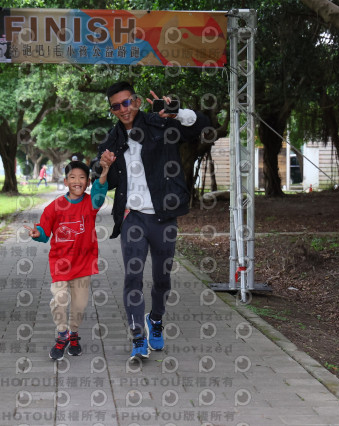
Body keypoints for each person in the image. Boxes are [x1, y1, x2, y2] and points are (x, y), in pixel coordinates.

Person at [91, 81, 211, 361]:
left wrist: (176, 112)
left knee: (162, 279)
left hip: (163, 216)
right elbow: (103, 180)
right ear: (112, 110)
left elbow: (202, 126)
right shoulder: (111, 141)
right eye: (116, 106)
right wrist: (104, 167)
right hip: (132, 218)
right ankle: (137, 337)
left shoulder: (162, 123)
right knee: (132, 277)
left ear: (137, 101)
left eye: (127, 102)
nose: (123, 109)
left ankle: (155, 319)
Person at [23, 157, 115, 361]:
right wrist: (38, 234)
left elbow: (100, 192)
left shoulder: (91, 203)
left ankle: (74, 333)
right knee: (59, 299)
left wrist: (104, 172)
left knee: (79, 306)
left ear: (88, 182)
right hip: (61, 264)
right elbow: (44, 232)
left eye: (82, 177)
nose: (77, 181)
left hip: (83, 264)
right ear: (65, 181)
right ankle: (62, 333)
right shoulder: (55, 207)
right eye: (72, 177)